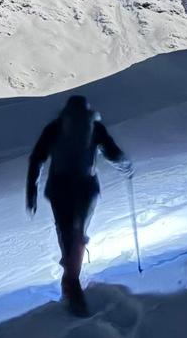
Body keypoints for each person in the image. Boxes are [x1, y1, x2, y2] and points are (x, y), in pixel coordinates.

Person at [26, 95, 133, 313]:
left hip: (59, 187)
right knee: (79, 232)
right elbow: (112, 152)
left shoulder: (55, 128)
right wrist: (126, 167)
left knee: (65, 232)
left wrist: (32, 191)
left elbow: (37, 158)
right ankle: (72, 283)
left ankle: (70, 283)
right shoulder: (94, 127)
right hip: (86, 188)